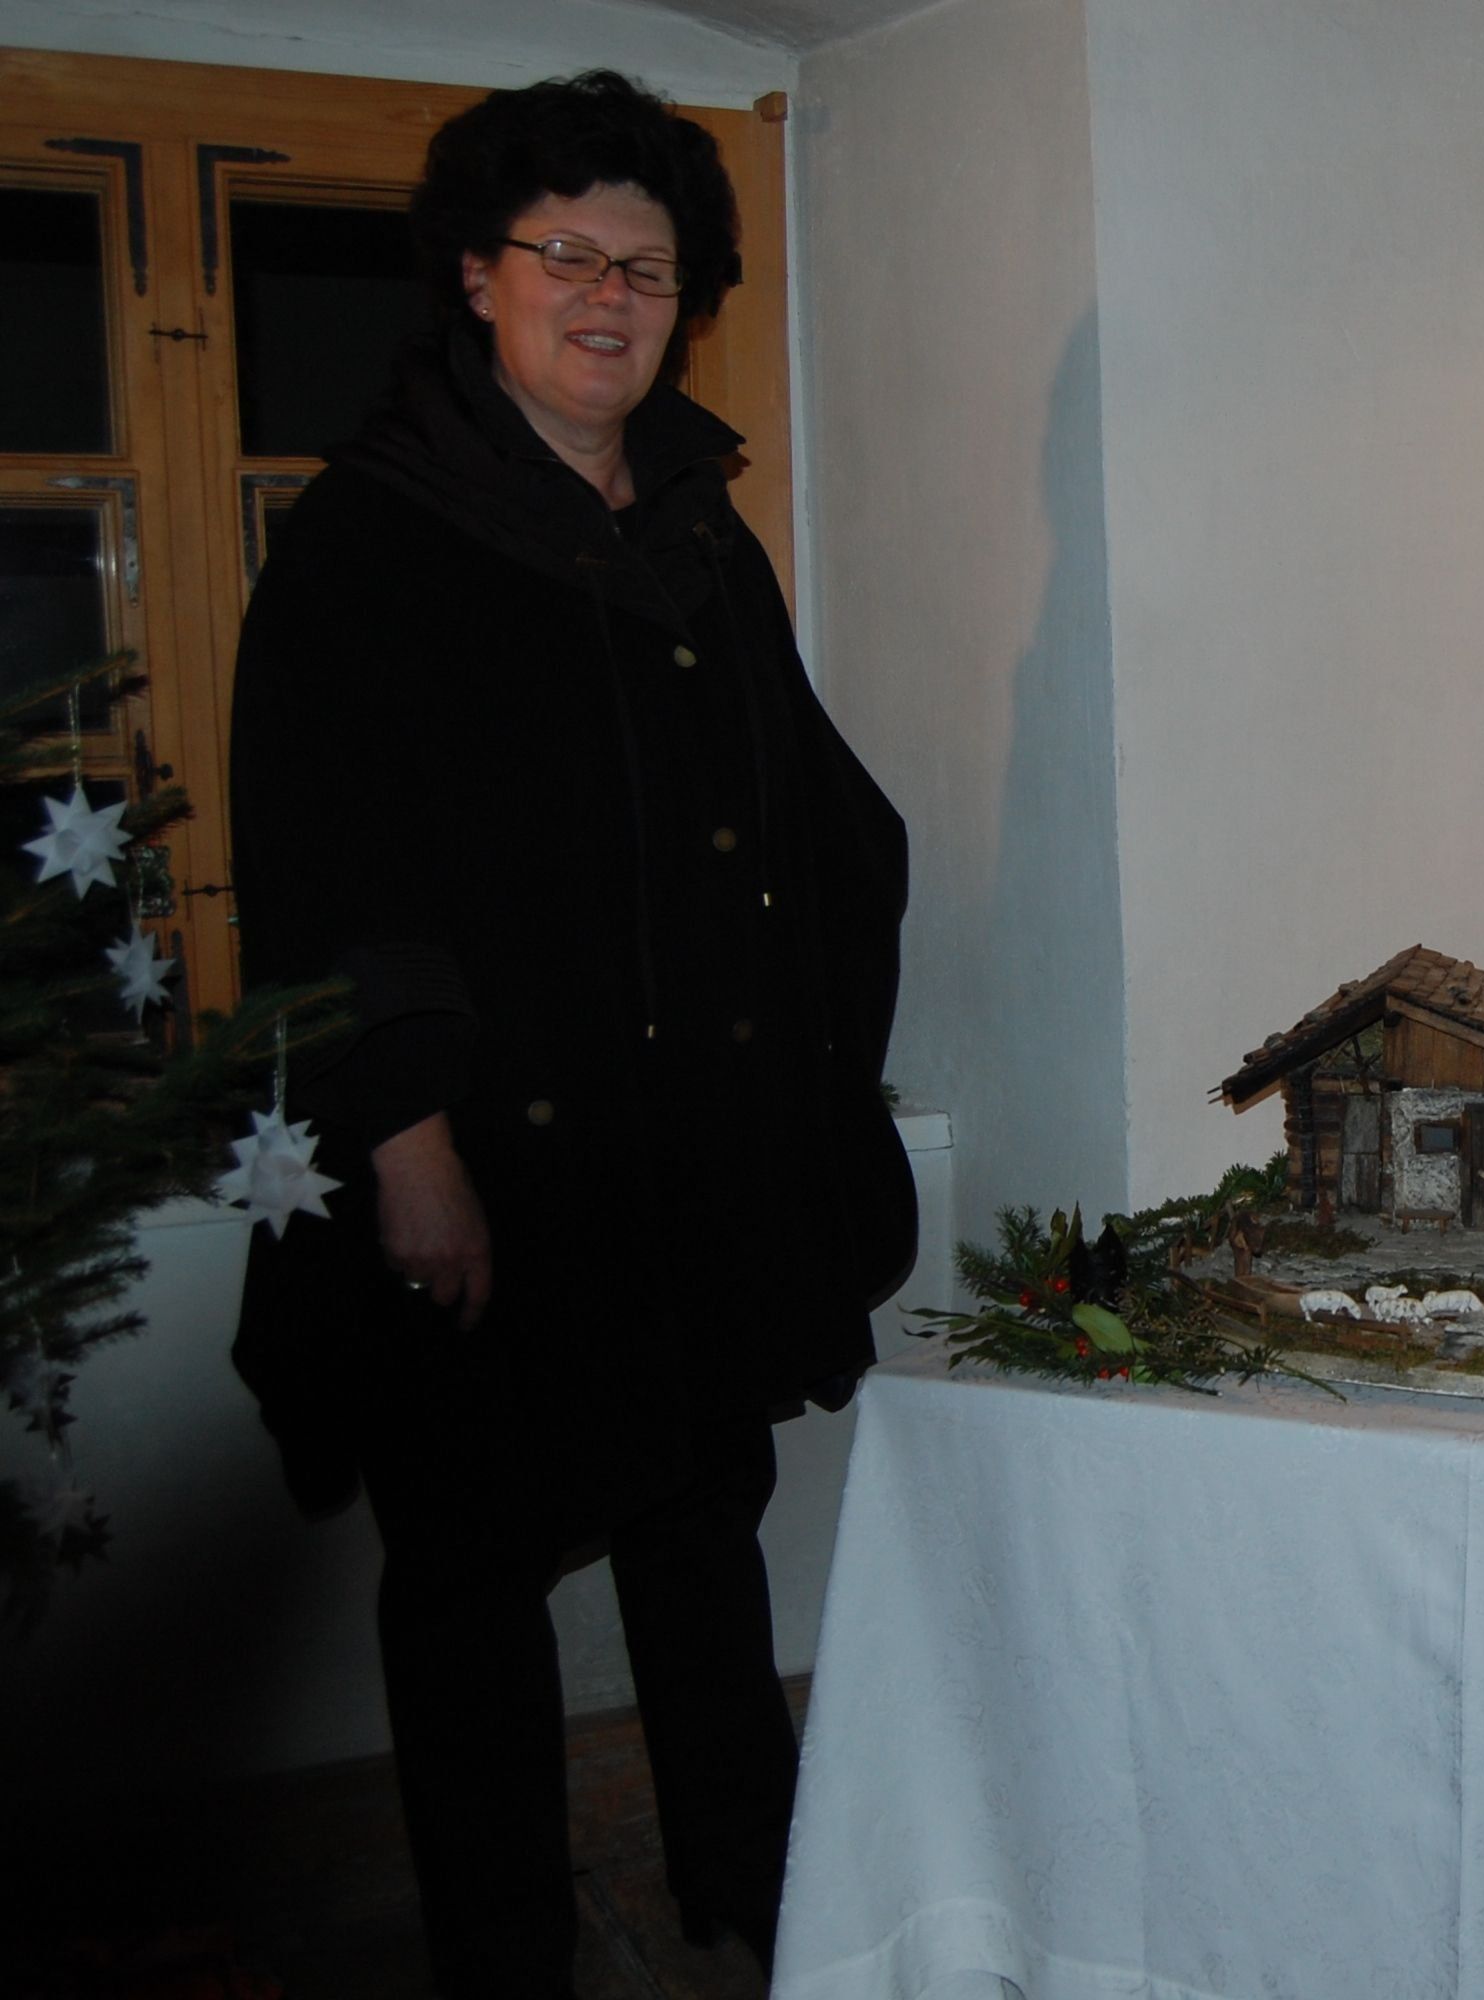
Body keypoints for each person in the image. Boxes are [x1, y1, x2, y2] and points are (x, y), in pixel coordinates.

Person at [226, 71, 915, 2000]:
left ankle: (747, 1893)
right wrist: (408, 1146)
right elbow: (326, 874)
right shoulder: (370, 542)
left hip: (690, 1162)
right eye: (566, 255)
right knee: (468, 1577)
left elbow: (797, 821)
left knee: (703, 1531)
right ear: (477, 275)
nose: (609, 297)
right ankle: (507, 1956)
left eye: (648, 267)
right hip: (495, 1169)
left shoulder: (700, 534)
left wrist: (807, 1091)